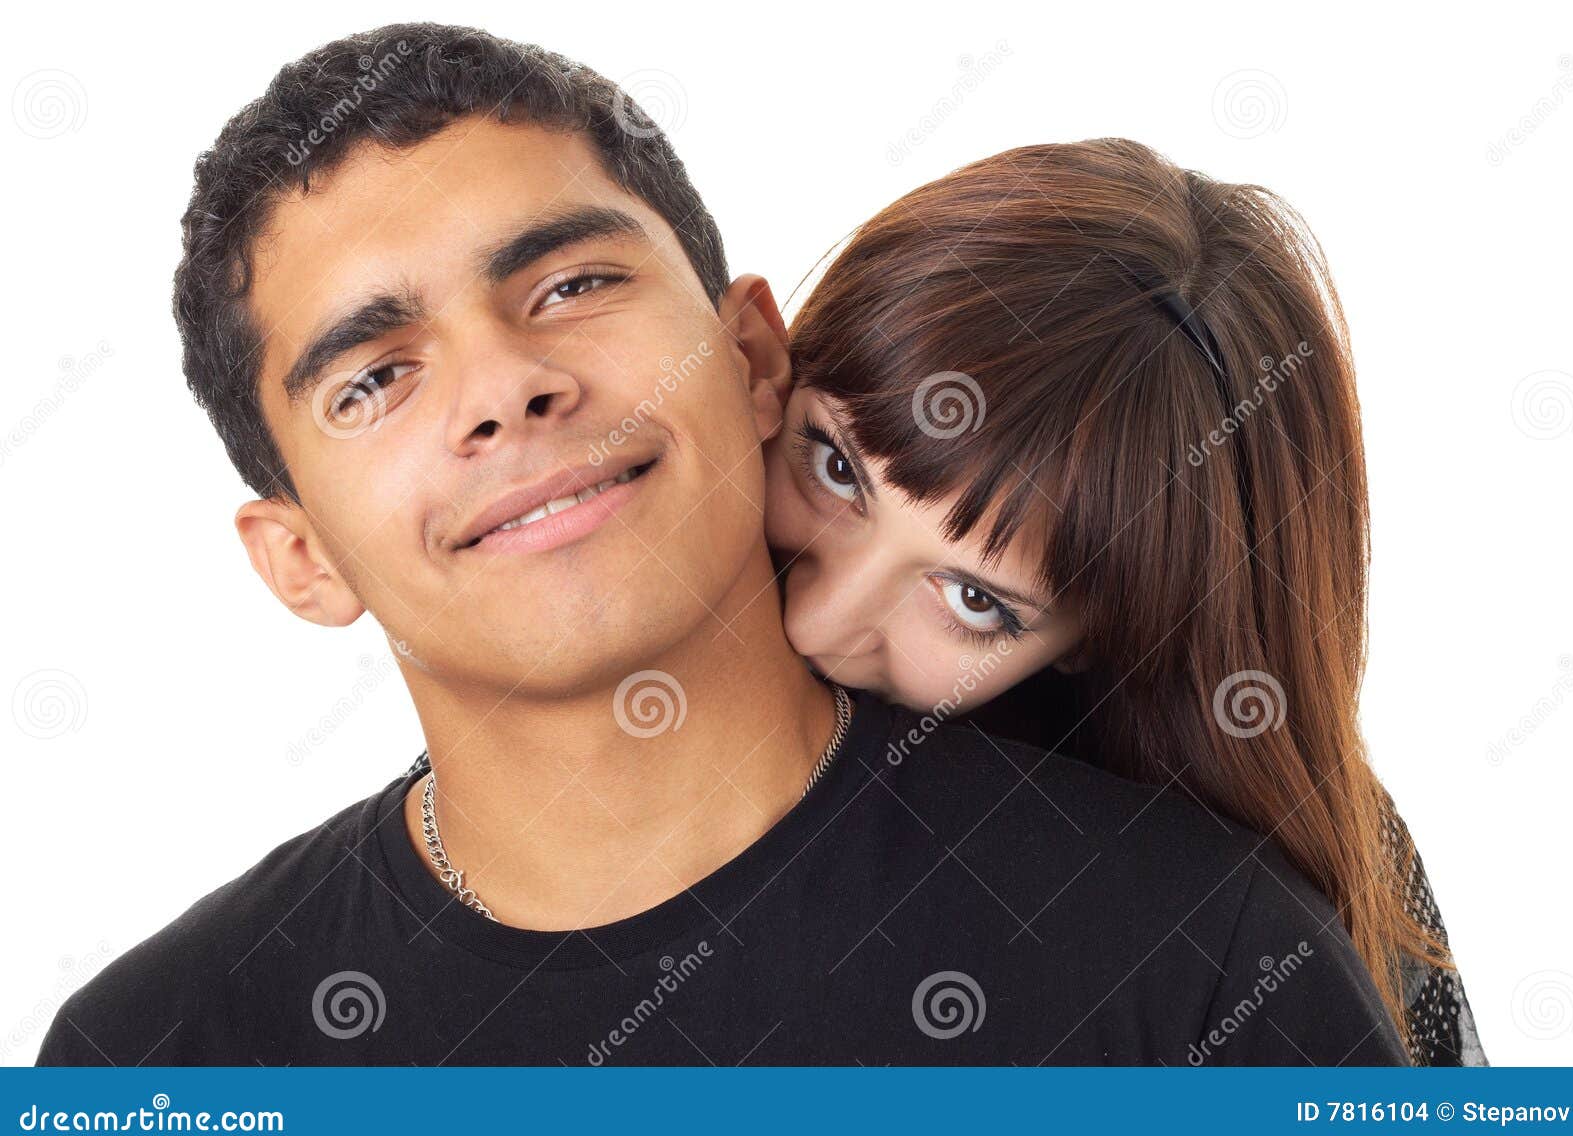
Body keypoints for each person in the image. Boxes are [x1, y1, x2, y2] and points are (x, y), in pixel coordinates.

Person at [38, 23, 1405, 1066]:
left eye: (571, 285)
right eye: (373, 376)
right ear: (298, 559)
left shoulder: (1205, 971)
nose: (505, 384)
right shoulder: (153, 1058)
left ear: (752, 352)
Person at [764, 140, 1484, 1064]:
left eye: (977, 599)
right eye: (834, 467)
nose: (816, 622)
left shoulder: (1258, 938)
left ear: (1094, 645)